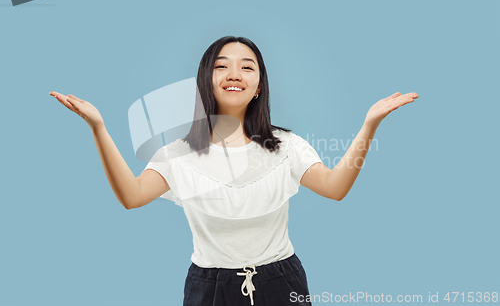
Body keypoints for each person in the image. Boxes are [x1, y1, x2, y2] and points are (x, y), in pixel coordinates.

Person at [49, 36, 419, 306]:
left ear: (259, 85)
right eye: (222, 65)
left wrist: (370, 125)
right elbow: (131, 196)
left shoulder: (286, 146)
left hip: (281, 281)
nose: (234, 73)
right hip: (209, 289)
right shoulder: (177, 154)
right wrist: (98, 128)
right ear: (206, 79)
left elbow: (335, 187)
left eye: (247, 66)